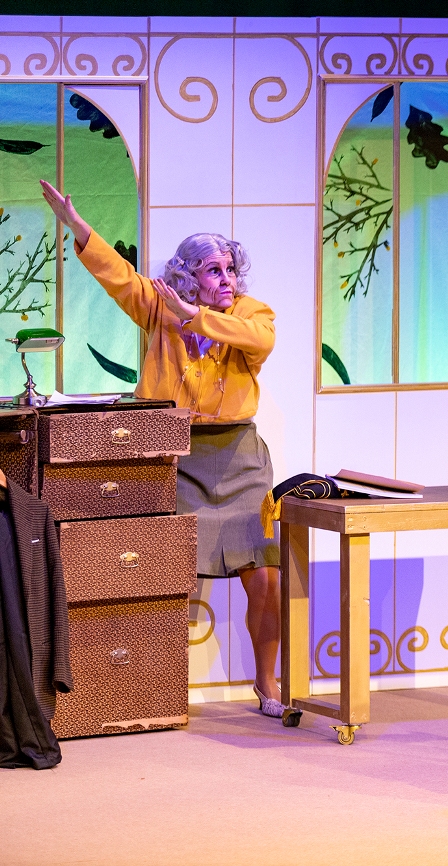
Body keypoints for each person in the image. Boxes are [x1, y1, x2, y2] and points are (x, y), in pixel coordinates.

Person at [38, 180, 286, 720]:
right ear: (188, 276)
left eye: (231, 269)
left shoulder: (252, 312)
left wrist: (196, 316)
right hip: (173, 456)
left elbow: (260, 340)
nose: (227, 279)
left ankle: (267, 682)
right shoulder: (160, 307)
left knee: (266, 577)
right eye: (214, 271)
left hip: (240, 459)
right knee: (162, 574)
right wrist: (78, 226)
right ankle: (155, 687)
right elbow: (118, 276)